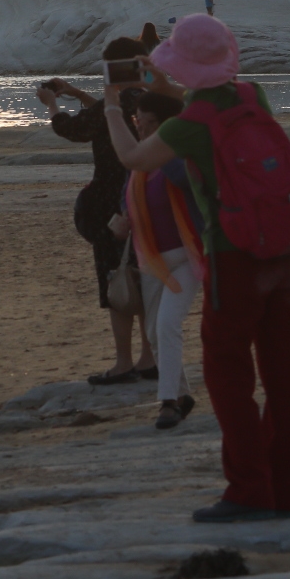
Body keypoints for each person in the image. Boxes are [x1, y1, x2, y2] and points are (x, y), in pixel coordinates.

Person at [101, 14, 290, 522]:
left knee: (229, 376)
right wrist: (165, 81)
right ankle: (284, 494)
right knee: (285, 379)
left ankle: (247, 491)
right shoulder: (251, 96)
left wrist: (111, 105)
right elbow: (207, 89)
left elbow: (133, 157)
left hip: (235, 258)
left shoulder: (188, 127)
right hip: (288, 254)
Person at [38, 35, 158, 385]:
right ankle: (149, 359)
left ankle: (123, 363)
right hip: (147, 200)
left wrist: (51, 105)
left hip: (112, 204)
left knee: (116, 279)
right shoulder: (148, 103)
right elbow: (105, 114)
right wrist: (75, 94)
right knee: (144, 277)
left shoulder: (115, 103)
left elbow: (73, 129)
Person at [107, 91, 201, 429]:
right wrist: (119, 222)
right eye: (139, 123)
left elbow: (186, 182)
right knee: (154, 331)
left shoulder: (178, 158)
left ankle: (168, 403)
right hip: (152, 261)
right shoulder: (137, 167)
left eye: (152, 125)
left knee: (166, 326)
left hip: (189, 258)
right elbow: (127, 205)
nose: (144, 131)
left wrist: (163, 151)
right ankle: (182, 394)